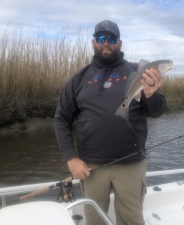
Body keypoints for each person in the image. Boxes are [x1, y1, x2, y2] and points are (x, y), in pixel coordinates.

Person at [54, 20, 166, 225]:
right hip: (91, 166)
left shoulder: (139, 73)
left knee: (131, 219)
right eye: (101, 38)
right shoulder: (77, 79)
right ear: (93, 42)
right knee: (95, 220)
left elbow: (157, 112)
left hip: (131, 164)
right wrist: (71, 158)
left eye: (112, 39)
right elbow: (61, 119)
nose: (106, 43)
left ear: (120, 43)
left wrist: (152, 94)